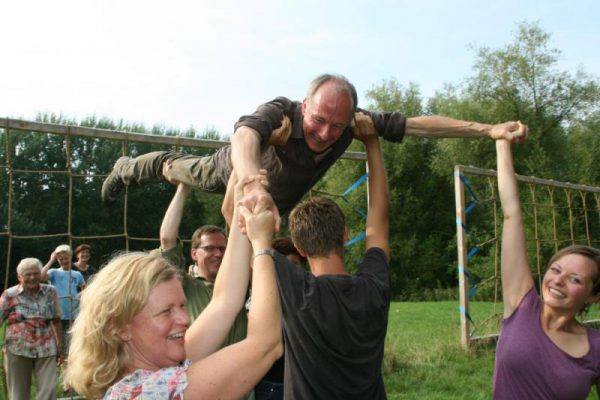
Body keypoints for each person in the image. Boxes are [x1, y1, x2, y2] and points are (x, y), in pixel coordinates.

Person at [101, 73, 528, 226]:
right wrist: (250, 178)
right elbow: (245, 134)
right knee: (174, 168)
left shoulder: (354, 122)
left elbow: (419, 125)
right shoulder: (281, 111)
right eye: (318, 120)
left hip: (278, 206)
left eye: (336, 126)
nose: (326, 133)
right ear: (305, 105)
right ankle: (126, 167)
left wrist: (487, 128)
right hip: (231, 174)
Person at [65, 174, 282, 399]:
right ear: (121, 327)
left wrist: (241, 205)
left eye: (181, 305)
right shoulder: (151, 392)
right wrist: (261, 245)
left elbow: (224, 303)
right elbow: (266, 344)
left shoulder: (138, 375)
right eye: (166, 311)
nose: (185, 319)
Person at [267, 126, 390, 398]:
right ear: (345, 235)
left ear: (298, 247)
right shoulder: (374, 288)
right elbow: (379, 219)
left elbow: (241, 225)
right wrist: (372, 142)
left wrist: (266, 144)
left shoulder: (295, 290)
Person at [492, 132, 600, 399]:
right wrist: (502, 143)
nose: (559, 280)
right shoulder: (521, 305)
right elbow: (511, 214)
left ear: (594, 295)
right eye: (555, 269)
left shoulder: (596, 348)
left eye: (575, 279)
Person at [153, 160, 247, 345]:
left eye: (222, 248)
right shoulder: (184, 285)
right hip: (197, 367)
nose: (218, 254)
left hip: (243, 370)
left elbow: (232, 215)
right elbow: (167, 239)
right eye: (210, 248)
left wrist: (240, 169)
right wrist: (183, 187)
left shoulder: (240, 282)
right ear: (194, 254)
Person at [1, 258, 63, 400]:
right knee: (18, 393)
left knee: (49, 391)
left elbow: (57, 319)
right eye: (28, 274)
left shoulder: (50, 292)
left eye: (36, 273)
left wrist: (59, 346)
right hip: (17, 349)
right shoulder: (9, 295)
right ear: (19, 277)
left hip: (46, 348)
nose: (33, 277)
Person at [253, 237, 306, 400]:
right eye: (284, 266)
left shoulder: (310, 297)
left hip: (303, 383)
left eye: (294, 265)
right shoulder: (260, 298)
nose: (290, 271)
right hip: (269, 385)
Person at [41, 244, 86, 359]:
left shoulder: (77, 274)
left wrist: (79, 296)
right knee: (57, 343)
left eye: (66, 258)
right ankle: (57, 363)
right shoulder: (54, 272)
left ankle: (68, 363)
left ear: (71, 258)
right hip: (57, 315)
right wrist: (51, 260)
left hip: (73, 314)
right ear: (57, 260)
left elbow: (85, 288)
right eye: (61, 259)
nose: (64, 261)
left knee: (72, 344)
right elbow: (40, 278)